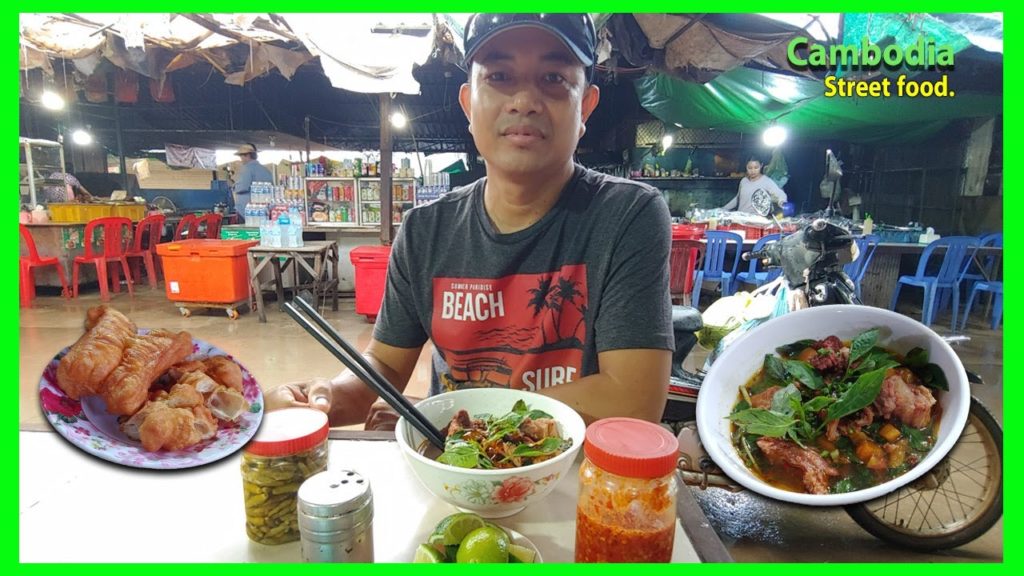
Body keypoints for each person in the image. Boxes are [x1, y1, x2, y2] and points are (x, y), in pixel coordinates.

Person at [265, 13, 674, 429]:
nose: (524, 101)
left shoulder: (626, 213)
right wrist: (330, 397)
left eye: (553, 78)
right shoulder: (426, 229)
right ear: (468, 103)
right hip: (455, 474)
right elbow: (384, 363)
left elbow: (633, 398)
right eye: (499, 75)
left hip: (570, 479)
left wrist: (448, 417)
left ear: (585, 105)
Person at [722, 157, 788, 214]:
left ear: (761, 166)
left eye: (756, 167)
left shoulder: (767, 181)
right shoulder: (744, 181)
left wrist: (782, 202)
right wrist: (724, 209)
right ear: (746, 167)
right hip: (741, 217)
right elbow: (738, 198)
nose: (753, 171)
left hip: (757, 219)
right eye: (750, 168)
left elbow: (780, 194)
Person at [230, 143, 273, 216]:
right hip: (264, 209)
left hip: (248, 210)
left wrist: (233, 186)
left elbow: (243, 187)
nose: (241, 159)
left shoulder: (247, 169)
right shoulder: (266, 170)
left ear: (247, 155)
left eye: (241, 156)